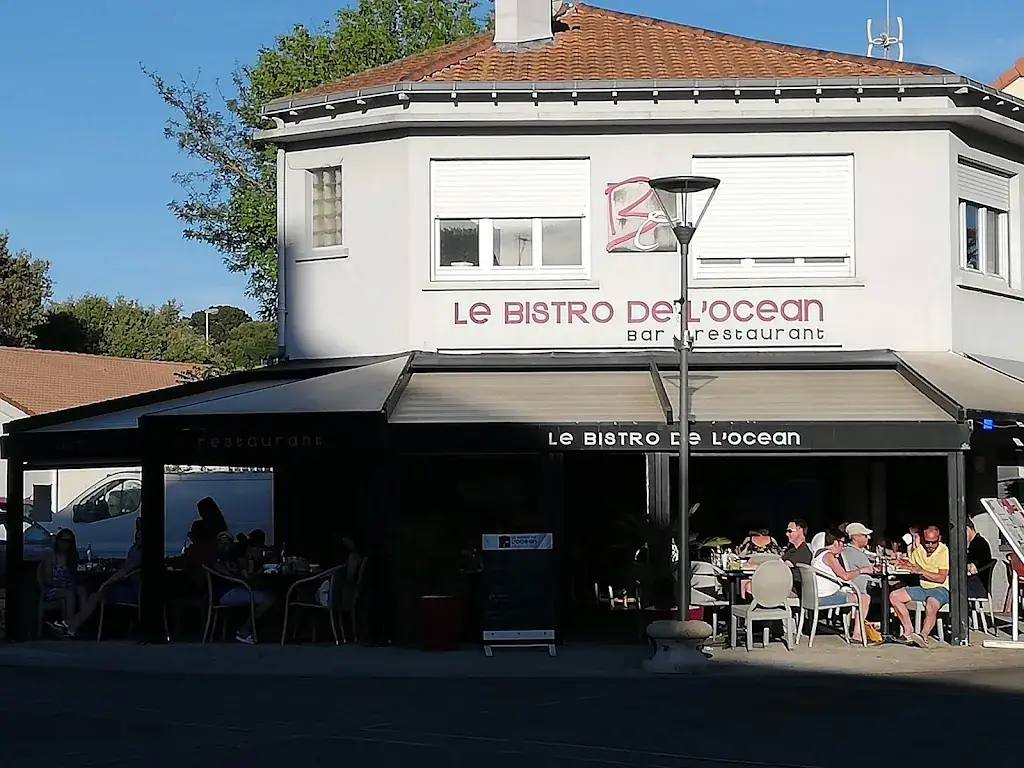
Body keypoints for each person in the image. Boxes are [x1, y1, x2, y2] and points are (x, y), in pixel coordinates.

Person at [49, 529, 143, 638]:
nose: (137, 540)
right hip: (127, 585)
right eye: (136, 537)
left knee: (94, 594)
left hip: (135, 591)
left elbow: (125, 570)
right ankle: (72, 626)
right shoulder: (135, 549)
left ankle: (71, 625)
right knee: (90, 593)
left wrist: (106, 583)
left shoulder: (140, 553)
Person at [889, 525, 949, 647]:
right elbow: (912, 564)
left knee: (931, 603)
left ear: (939, 539)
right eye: (927, 542)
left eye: (934, 542)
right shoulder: (919, 550)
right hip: (923, 588)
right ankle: (908, 631)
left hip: (940, 588)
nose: (930, 546)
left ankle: (923, 635)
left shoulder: (944, 551)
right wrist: (902, 563)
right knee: (894, 596)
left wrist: (922, 571)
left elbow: (941, 577)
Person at [209, 531, 274, 644]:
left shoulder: (231, 559)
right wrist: (241, 573)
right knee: (268, 599)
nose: (224, 546)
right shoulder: (216, 559)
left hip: (233, 590)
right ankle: (244, 630)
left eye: (226, 544)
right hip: (225, 593)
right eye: (221, 543)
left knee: (268, 595)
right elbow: (229, 574)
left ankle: (259, 631)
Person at [812, 528, 874, 643]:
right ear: (836, 542)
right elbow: (844, 576)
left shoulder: (818, 553)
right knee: (864, 598)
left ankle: (854, 629)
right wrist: (862, 570)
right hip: (826, 597)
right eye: (843, 543)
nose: (843, 547)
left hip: (815, 596)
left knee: (855, 594)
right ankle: (857, 635)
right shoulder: (829, 556)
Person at [39, 529, 87, 625]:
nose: (65, 544)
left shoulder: (70, 556)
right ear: (58, 540)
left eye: (68, 541)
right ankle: (68, 625)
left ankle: (81, 622)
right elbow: (48, 579)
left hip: (67, 585)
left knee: (82, 590)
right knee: (69, 594)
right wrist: (62, 585)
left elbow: (72, 575)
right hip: (52, 588)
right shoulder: (50, 554)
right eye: (63, 540)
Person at [842, 523, 881, 596]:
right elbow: (873, 570)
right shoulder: (855, 553)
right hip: (864, 586)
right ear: (855, 537)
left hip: (857, 584)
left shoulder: (848, 550)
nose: (869, 537)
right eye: (865, 535)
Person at [966, 519, 994, 600]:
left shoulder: (977, 545)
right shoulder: (980, 542)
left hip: (977, 586)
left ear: (968, 529)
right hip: (981, 584)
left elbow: (972, 569)